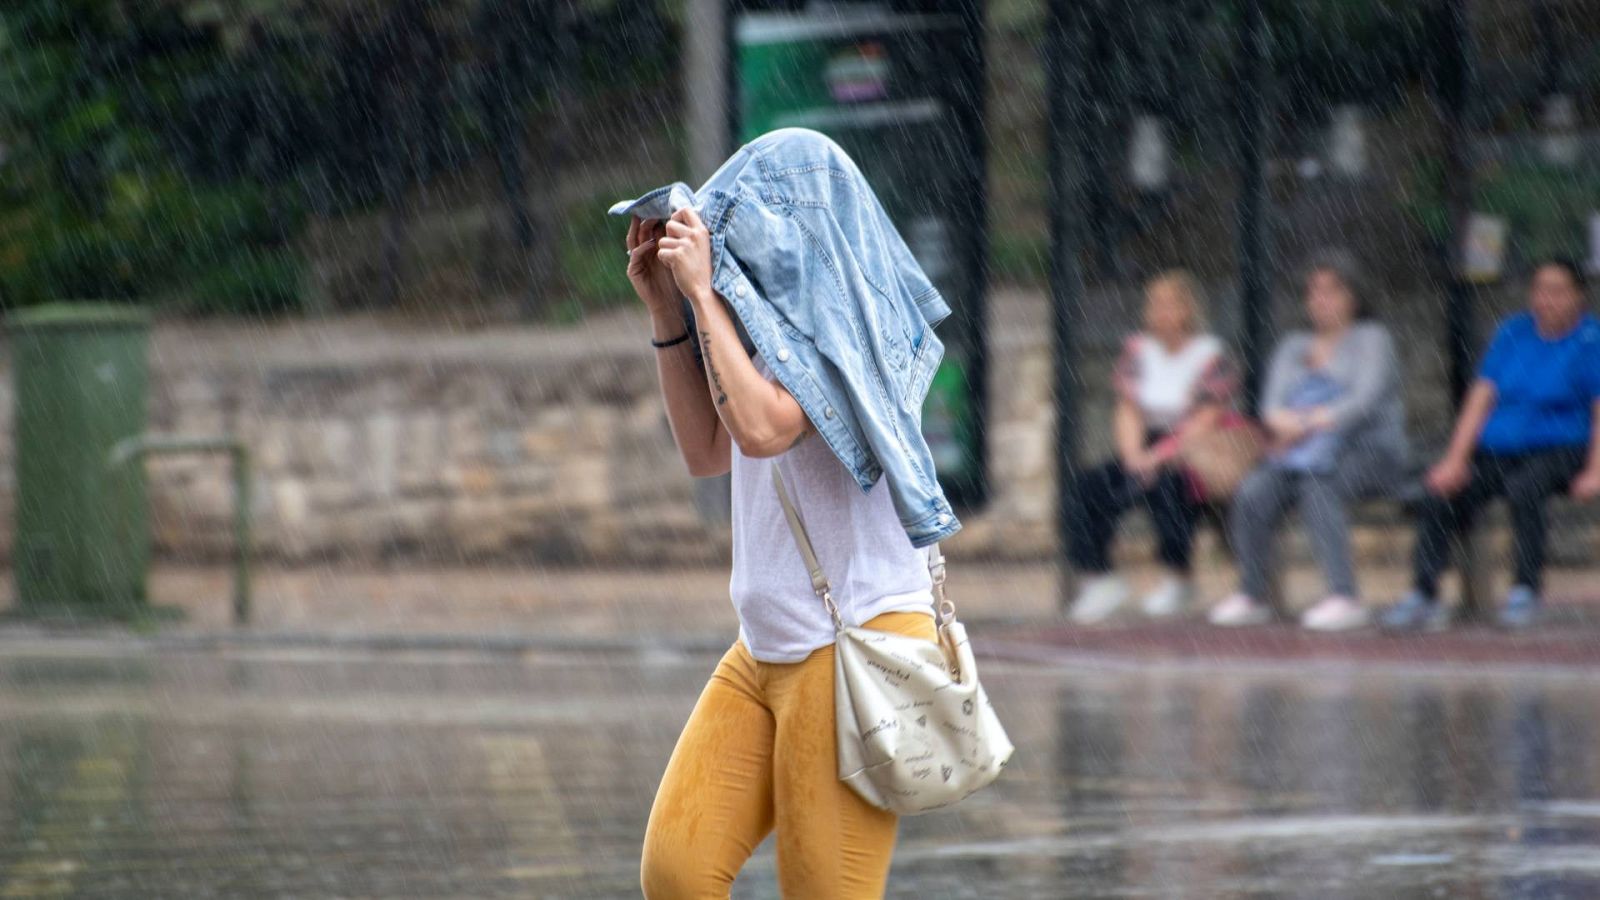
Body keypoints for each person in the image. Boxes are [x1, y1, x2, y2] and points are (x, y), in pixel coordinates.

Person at [628, 204, 941, 896]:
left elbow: (766, 429)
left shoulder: (855, 329)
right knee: (678, 871)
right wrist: (665, 309)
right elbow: (706, 449)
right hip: (764, 647)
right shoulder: (755, 332)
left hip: (854, 643)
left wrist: (704, 296)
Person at [1381, 259, 1600, 632]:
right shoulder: (1513, 332)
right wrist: (1455, 460)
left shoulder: (1591, 339)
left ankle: (1524, 591)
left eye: (1558, 290)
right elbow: (1480, 400)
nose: (1547, 299)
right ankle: (1424, 594)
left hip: (1560, 449)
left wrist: (1596, 471)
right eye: (1540, 289)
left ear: (1579, 296)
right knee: (1440, 493)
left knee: (1525, 489)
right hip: (1499, 450)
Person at [1209, 250, 1410, 631]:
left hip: (1369, 449)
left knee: (1320, 485)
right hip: (1298, 451)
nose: (1321, 299)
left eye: (1332, 290)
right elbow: (1271, 408)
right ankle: (1253, 594)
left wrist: (1309, 423)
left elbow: (1362, 402)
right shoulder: (1292, 346)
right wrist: (1292, 427)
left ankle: (1343, 596)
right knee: (1254, 491)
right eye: (1314, 291)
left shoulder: (1372, 339)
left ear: (1353, 296)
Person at [1067, 271, 1238, 623]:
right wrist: (1133, 456)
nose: (1159, 311)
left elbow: (1205, 420)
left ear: (1188, 310)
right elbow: (1128, 409)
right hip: (1144, 446)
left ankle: (1178, 578)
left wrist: (1160, 457)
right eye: (1154, 303)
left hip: (1193, 452)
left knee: (1171, 488)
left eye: (1169, 304)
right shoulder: (1138, 351)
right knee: (1088, 487)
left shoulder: (1211, 356)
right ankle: (1098, 577)